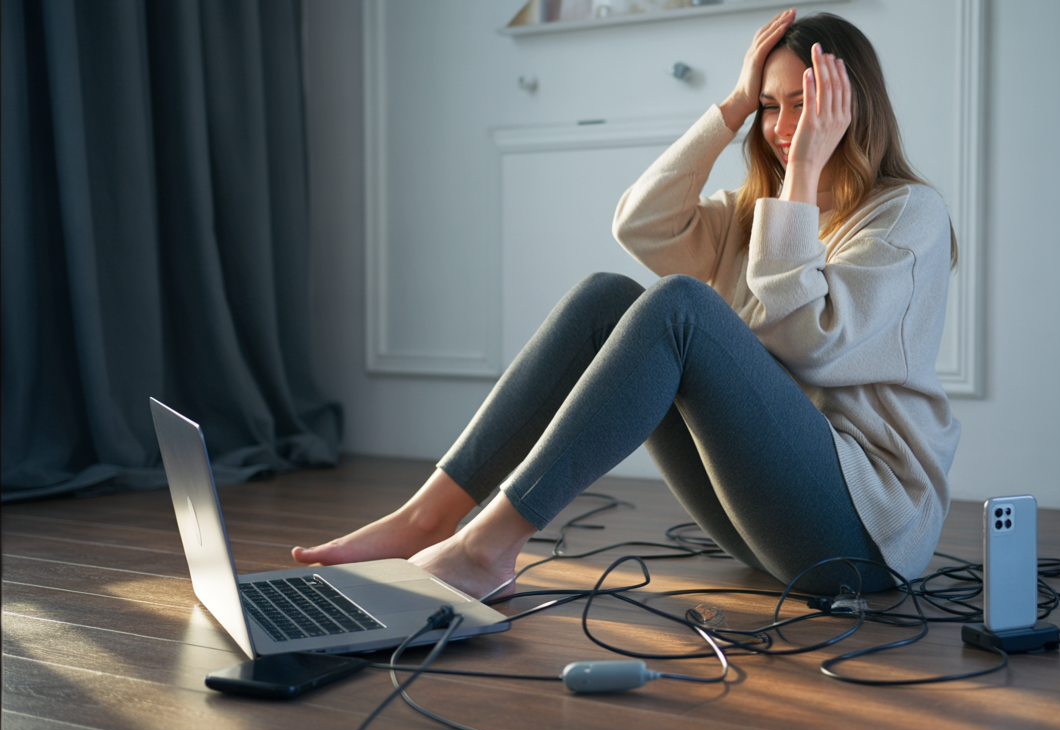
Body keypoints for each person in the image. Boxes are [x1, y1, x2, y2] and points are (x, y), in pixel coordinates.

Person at [293, 10, 961, 599]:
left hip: (860, 539)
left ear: (849, 108)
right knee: (605, 297)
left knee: (681, 307)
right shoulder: (754, 218)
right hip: (763, 526)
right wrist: (729, 107)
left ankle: (485, 546)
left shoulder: (907, 217)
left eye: (803, 107)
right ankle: (427, 518)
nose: (784, 129)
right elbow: (641, 225)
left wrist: (806, 176)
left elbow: (809, 343)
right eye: (770, 106)